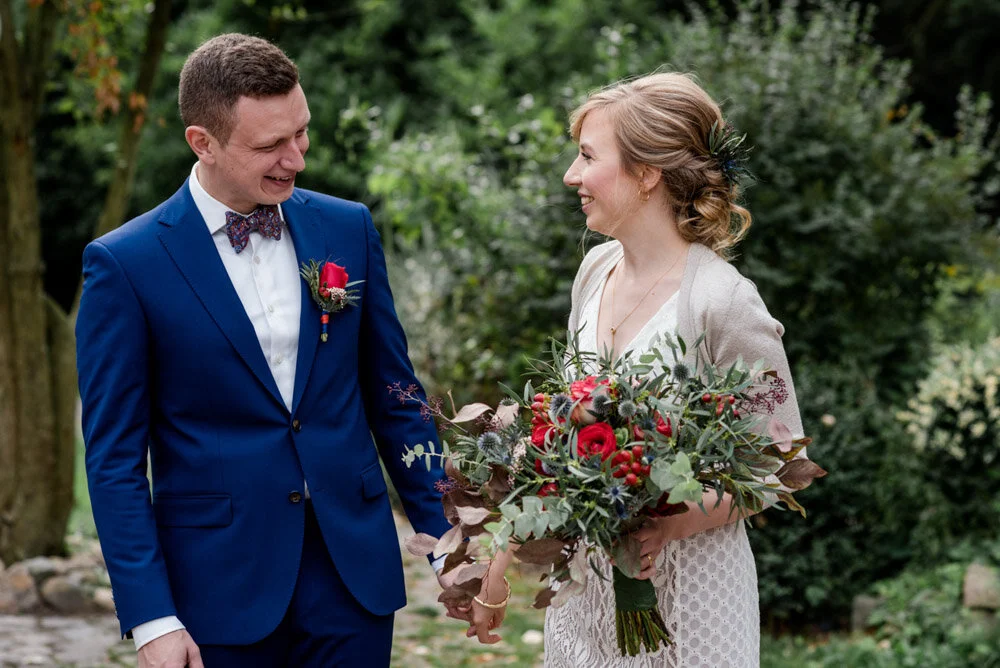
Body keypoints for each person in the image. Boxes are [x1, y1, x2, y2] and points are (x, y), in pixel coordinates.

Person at [76, 33, 462, 667]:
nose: (296, 159)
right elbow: (113, 459)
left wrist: (449, 545)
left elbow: (397, 398)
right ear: (202, 142)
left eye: (301, 132)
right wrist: (151, 618)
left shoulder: (347, 227)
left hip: (353, 577)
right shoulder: (125, 264)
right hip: (216, 589)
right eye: (270, 146)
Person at [470, 72, 809, 666]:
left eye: (587, 156)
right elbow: (554, 438)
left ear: (647, 173)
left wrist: (671, 525)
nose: (571, 175)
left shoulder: (722, 301)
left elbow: (777, 464)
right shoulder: (595, 271)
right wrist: (495, 572)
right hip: (585, 594)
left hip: (690, 600)